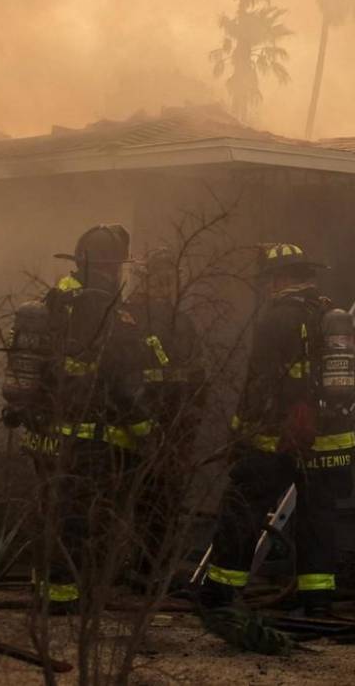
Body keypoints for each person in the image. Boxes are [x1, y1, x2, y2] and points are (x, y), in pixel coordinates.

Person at [200, 243, 355, 614]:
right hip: (330, 436)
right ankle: (317, 598)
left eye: (271, 279)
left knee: (243, 503)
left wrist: (240, 432)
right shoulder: (326, 314)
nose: (268, 286)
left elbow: (260, 382)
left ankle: (221, 591)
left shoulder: (276, 317)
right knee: (318, 517)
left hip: (279, 437)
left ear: (282, 278)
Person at [3, 224, 148, 613]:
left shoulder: (56, 296)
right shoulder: (100, 304)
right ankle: (65, 598)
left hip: (45, 430)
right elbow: (118, 373)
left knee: (50, 507)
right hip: (85, 434)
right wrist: (142, 425)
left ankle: (45, 585)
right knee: (78, 517)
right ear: (111, 265)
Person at [126, 246, 205, 581]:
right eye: (159, 280)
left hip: (146, 426)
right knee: (155, 502)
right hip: (159, 426)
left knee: (146, 500)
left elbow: (197, 376)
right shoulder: (164, 320)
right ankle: (147, 571)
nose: (163, 287)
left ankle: (141, 570)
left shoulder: (132, 317)